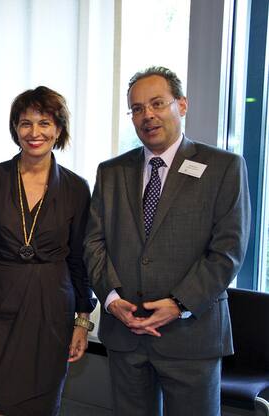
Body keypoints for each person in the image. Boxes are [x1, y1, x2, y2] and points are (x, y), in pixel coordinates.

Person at [84, 66, 251, 415]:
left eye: (157, 103)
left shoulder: (224, 167)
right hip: (126, 332)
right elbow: (93, 242)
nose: (148, 115)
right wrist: (111, 299)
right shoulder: (111, 171)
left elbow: (228, 251)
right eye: (137, 108)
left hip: (191, 335)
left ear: (182, 105)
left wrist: (179, 303)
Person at [0, 86, 96, 415]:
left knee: (42, 406)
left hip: (52, 311)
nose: (35, 133)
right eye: (26, 123)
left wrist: (82, 322)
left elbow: (80, 260)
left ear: (58, 130)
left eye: (45, 123)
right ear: (15, 129)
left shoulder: (76, 188)